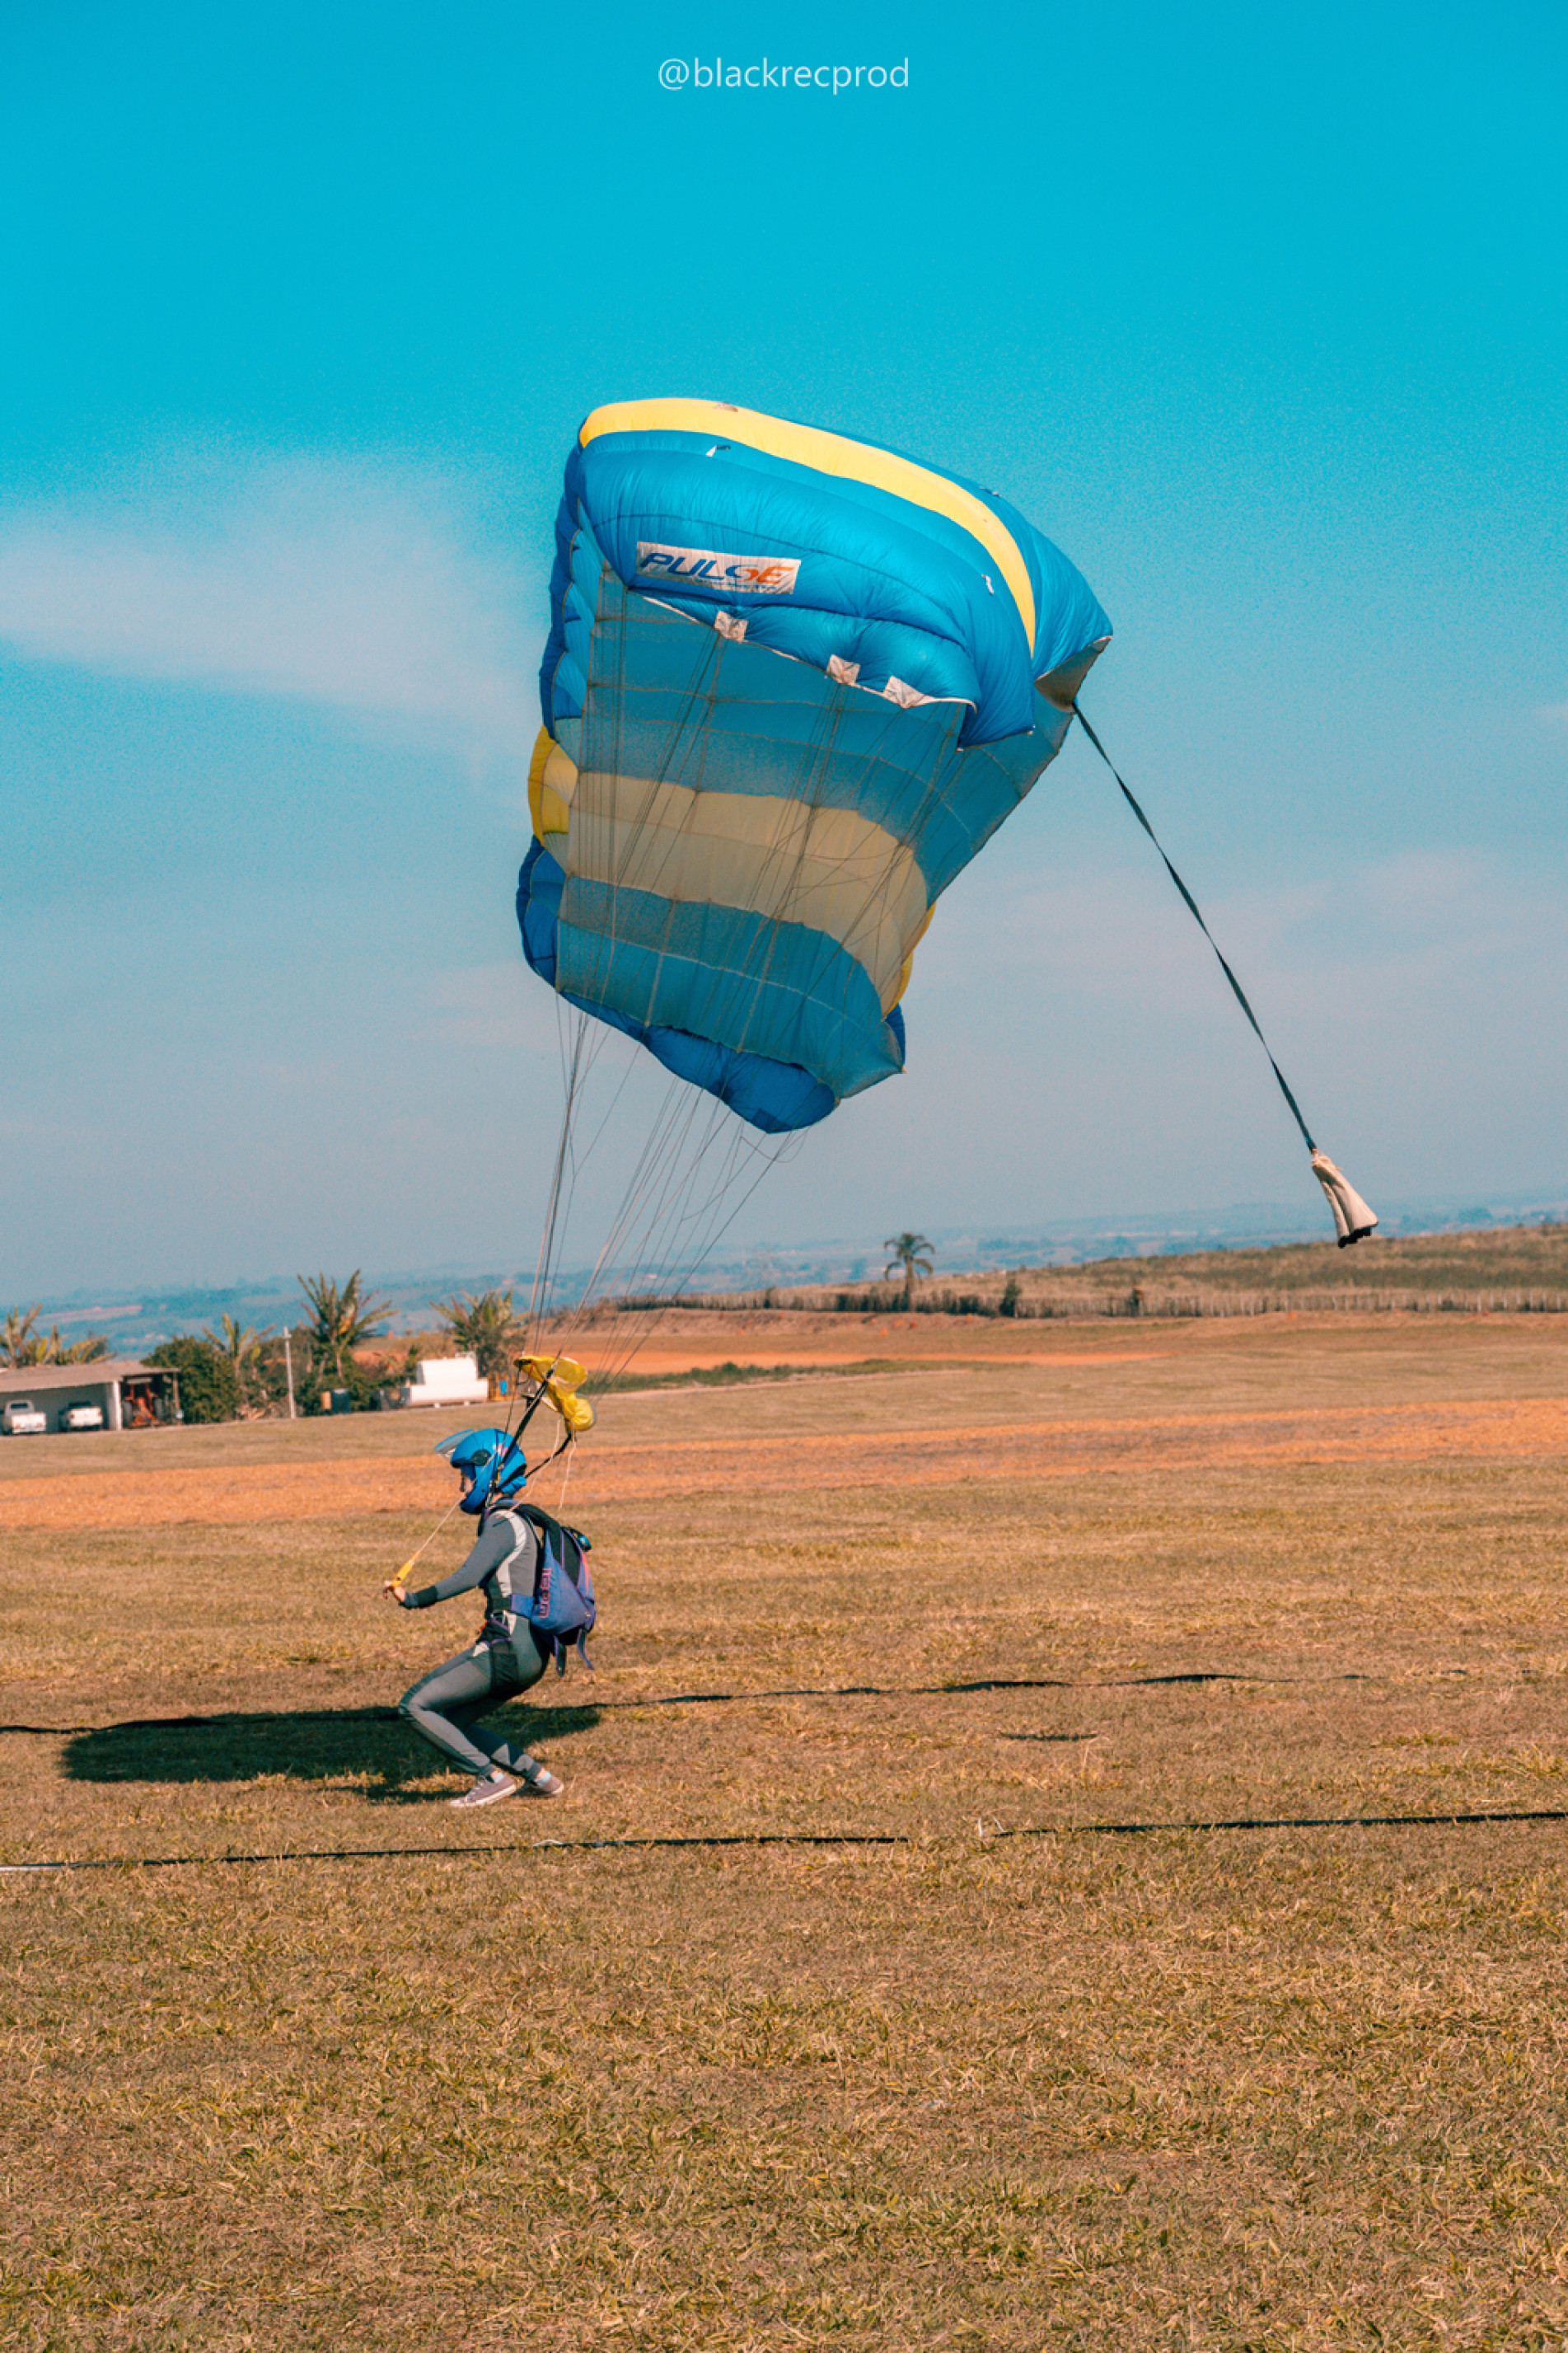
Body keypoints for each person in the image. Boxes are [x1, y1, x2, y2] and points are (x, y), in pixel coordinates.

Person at [383, 1427, 566, 1808]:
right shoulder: (521, 1519)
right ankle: (541, 1778)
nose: (461, 1487)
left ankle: (490, 1778)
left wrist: (413, 1599)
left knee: (414, 1705)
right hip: (532, 1652)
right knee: (454, 1720)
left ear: (486, 1473)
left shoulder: (502, 1521)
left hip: (507, 1648)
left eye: (465, 1476)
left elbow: (467, 1576)